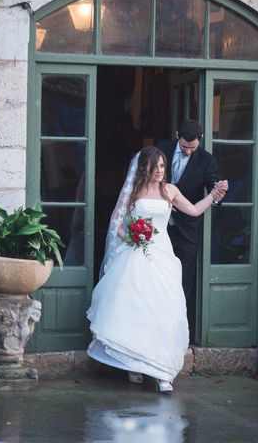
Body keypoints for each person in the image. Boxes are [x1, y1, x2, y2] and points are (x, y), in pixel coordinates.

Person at [86, 147, 227, 393]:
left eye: (163, 166)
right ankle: (134, 363)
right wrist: (130, 237)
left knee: (164, 311)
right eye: (156, 167)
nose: (161, 171)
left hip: (162, 257)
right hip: (135, 256)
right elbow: (116, 224)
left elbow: (193, 211)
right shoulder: (134, 191)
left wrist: (214, 195)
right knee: (136, 309)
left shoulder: (170, 191)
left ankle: (163, 373)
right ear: (145, 168)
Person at [156, 120, 227, 335]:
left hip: (186, 230)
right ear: (177, 135)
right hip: (158, 227)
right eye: (185, 146)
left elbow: (215, 192)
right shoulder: (162, 148)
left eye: (193, 148)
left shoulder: (207, 161)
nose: (188, 151)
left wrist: (218, 194)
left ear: (200, 140)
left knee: (183, 279)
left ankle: (176, 330)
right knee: (156, 278)